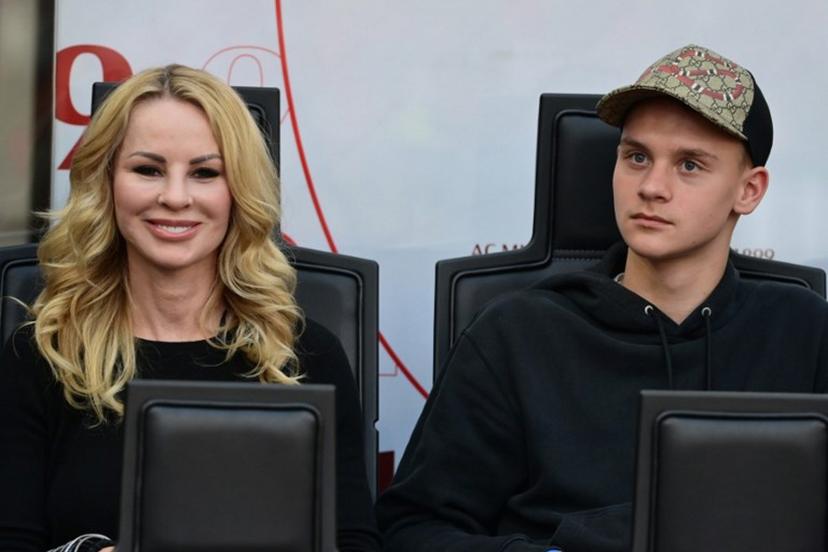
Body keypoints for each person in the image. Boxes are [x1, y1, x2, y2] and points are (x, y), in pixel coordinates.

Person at [377, 44, 828, 551]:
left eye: (690, 165)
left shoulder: (805, 331)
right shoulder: (516, 333)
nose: (652, 186)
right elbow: (411, 530)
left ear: (749, 190)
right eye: (636, 157)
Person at [0, 65, 380, 552]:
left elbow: (353, 541)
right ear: (106, 182)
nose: (175, 197)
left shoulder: (307, 357)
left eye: (205, 173)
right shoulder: (42, 356)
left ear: (238, 191)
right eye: (147, 169)